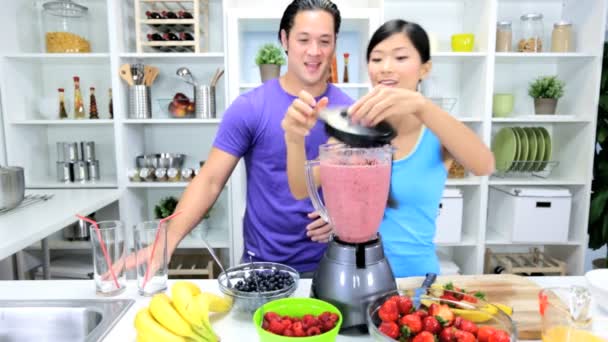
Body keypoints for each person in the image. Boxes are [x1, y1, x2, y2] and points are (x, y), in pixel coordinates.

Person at [125, 0, 353, 276]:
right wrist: (166, 241)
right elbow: (210, 181)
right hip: (265, 266)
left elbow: (362, 189)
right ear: (284, 39)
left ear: (335, 44)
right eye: (303, 39)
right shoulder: (250, 108)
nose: (314, 51)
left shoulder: (348, 113)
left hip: (334, 264)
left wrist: (342, 218)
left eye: (324, 41)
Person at [281, 19, 495, 277]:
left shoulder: (437, 131)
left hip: (416, 281)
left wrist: (421, 106)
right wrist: (294, 138)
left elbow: (484, 165)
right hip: (354, 277)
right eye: (377, 59)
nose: (386, 68)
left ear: (425, 68)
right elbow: (301, 189)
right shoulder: (354, 127)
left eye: (400, 57)